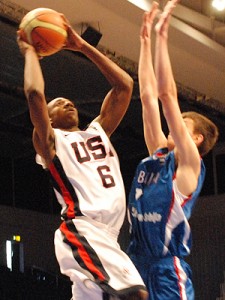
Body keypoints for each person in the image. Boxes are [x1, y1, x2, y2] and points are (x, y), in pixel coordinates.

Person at [17, 18, 148, 300]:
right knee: (135, 295)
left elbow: (124, 86)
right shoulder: (50, 142)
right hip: (82, 229)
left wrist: (82, 46)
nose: (67, 102)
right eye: (58, 103)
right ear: (49, 118)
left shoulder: (99, 130)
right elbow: (34, 93)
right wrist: (30, 52)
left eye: (69, 101)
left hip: (109, 238)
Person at [127, 1, 219, 300]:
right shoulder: (158, 157)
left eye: (181, 124)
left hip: (167, 271)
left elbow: (166, 96)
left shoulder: (190, 166)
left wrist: (162, 36)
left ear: (195, 140)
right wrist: (143, 41)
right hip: (135, 265)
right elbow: (147, 96)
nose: (173, 126)